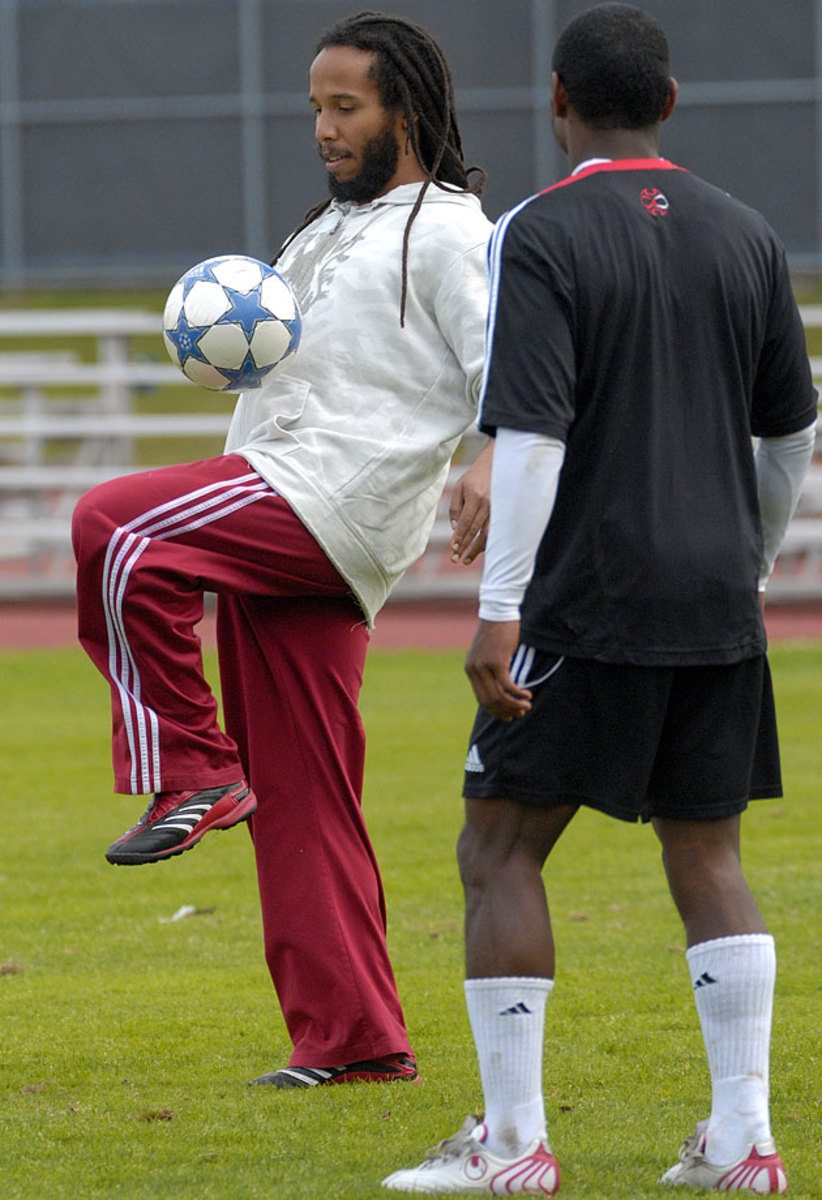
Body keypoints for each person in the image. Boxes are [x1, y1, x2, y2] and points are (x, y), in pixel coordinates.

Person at [383, 3, 816, 1194]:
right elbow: (791, 435)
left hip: (584, 599)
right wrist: (756, 561)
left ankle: (515, 1147)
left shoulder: (538, 228)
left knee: (500, 849)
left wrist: (500, 609)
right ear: (670, 105)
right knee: (710, 852)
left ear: (559, 103)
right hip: (717, 598)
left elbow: (530, 435)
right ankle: (744, 1143)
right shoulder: (747, 232)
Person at [72, 10, 494, 1089]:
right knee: (305, 794)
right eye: (315, 106)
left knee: (114, 531)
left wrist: (489, 455)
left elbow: (512, 358)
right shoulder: (319, 232)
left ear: (407, 109)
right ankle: (356, 1041)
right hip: (298, 515)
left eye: (345, 106)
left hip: (328, 499)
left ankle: (190, 767)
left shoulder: (449, 232)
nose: (323, 126)